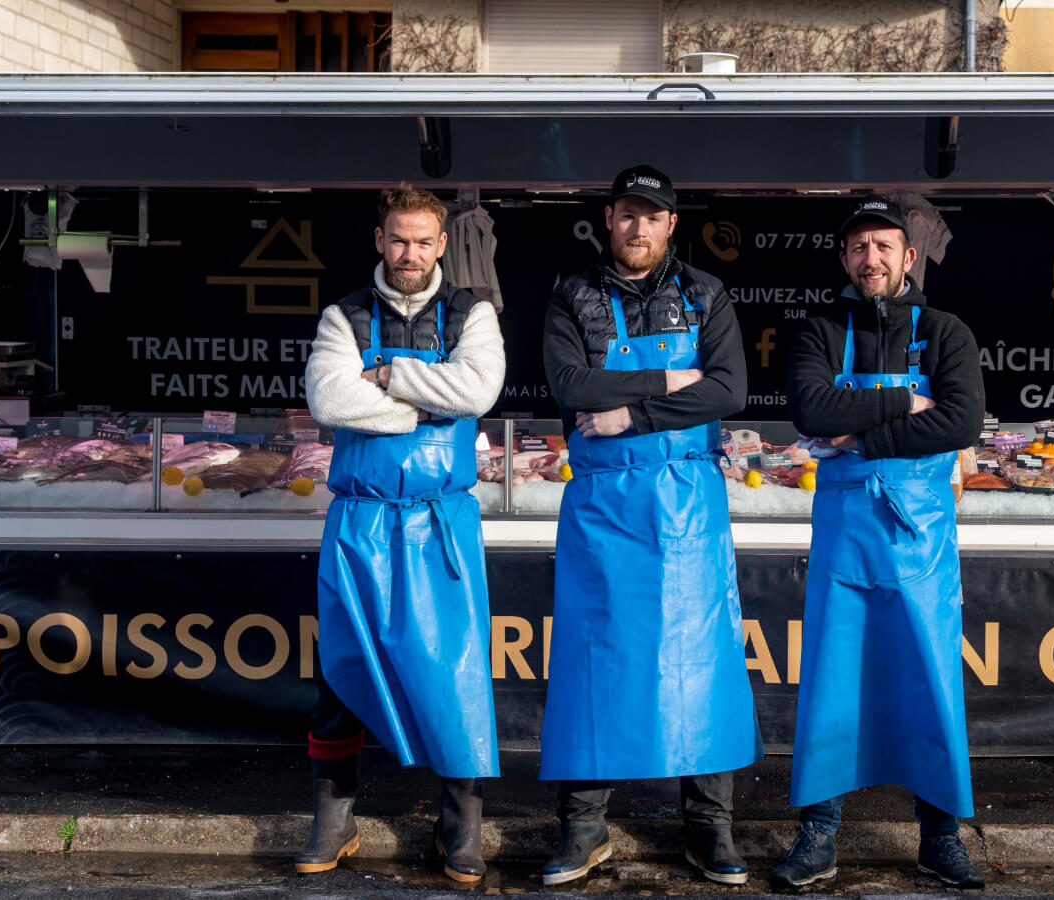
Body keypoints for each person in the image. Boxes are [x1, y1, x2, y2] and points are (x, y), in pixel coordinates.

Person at [536, 165, 760, 886]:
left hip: (687, 505)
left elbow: (730, 387)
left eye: (653, 216)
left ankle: (709, 827)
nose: (639, 228)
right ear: (609, 219)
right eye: (628, 215)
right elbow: (571, 386)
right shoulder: (572, 294)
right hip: (602, 507)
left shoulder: (705, 293)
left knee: (704, 664)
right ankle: (583, 827)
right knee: (591, 662)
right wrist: (672, 380)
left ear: (671, 225)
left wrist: (630, 411)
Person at [776, 196, 987, 890]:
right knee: (832, 680)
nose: (871, 258)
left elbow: (959, 423)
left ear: (908, 256)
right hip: (844, 537)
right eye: (859, 247)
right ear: (845, 259)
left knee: (930, 677)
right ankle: (818, 832)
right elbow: (811, 410)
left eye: (884, 246)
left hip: (921, 537)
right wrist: (904, 402)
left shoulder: (948, 331)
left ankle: (940, 835)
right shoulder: (817, 330)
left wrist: (861, 435)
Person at [300, 184, 506, 883]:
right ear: (378, 241)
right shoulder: (344, 315)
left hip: (439, 524)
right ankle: (335, 823)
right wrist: (425, 407)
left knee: (456, 675)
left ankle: (460, 829)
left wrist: (385, 378)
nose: (410, 252)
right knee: (340, 674)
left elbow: (477, 393)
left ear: (442, 243)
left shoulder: (472, 314)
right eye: (398, 239)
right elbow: (329, 398)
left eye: (423, 240)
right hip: (358, 524)